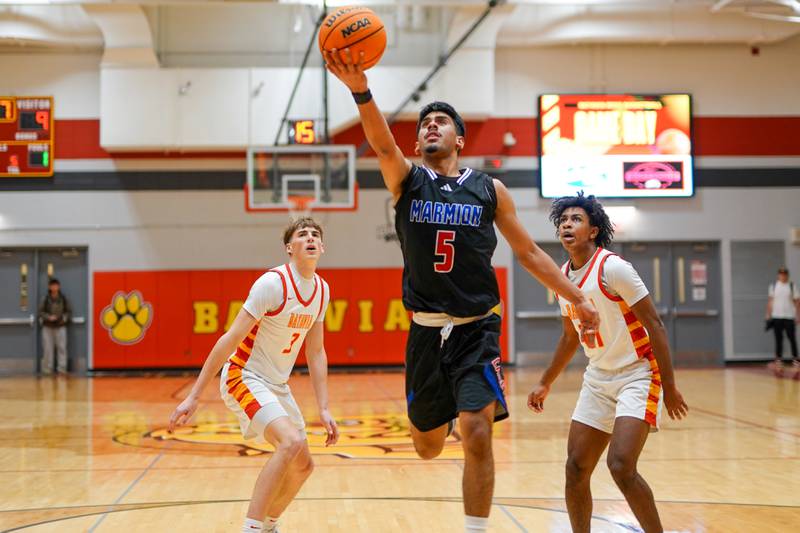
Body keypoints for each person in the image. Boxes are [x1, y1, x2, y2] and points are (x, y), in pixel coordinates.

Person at [324, 48, 600, 532]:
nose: (431, 126)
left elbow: (530, 254)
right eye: (425, 123)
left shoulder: (490, 190)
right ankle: (440, 419)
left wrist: (576, 296)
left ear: (460, 138)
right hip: (426, 333)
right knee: (428, 446)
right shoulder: (408, 182)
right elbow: (383, 146)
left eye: (440, 122)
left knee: (477, 431)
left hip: (477, 330)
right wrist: (360, 91)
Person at [528, 193, 689, 533]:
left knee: (620, 465)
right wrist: (545, 382)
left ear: (593, 231)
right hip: (598, 377)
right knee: (575, 468)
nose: (567, 224)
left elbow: (655, 325)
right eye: (563, 220)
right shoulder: (561, 278)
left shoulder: (612, 267)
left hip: (638, 374)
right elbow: (569, 337)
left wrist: (670, 388)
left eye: (576, 219)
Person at [168, 217, 339, 533]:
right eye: (303, 234)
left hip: (276, 385)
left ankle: (269, 526)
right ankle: (251, 529)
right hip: (242, 375)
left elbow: (316, 352)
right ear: (290, 248)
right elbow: (229, 339)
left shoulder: (322, 291)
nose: (310, 238)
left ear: (323, 247)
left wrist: (324, 407)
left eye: (316, 234)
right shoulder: (273, 284)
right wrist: (194, 396)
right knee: (289, 442)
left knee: (304, 465)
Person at [767, 266, 800, 374]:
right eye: (781, 274)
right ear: (778, 275)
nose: (783, 276)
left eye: (784, 274)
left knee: (792, 339)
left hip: (789, 316)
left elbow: (797, 302)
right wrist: (768, 314)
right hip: (777, 316)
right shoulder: (774, 286)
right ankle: (779, 363)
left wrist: (798, 315)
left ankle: (796, 362)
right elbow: (770, 301)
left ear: (787, 275)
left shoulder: (791, 286)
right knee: (778, 340)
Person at [39, 278, 70, 375]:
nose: (54, 287)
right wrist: (49, 317)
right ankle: (47, 369)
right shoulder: (45, 298)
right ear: (49, 287)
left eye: (56, 285)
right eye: (52, 285)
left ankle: (62, 368)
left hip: (60, 326)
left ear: (58, 286)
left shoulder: (63, 298)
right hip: (47, 326)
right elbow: (40, 312)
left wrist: (62, 319)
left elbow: (68, 312)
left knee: (62, 347)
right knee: (48, 348)